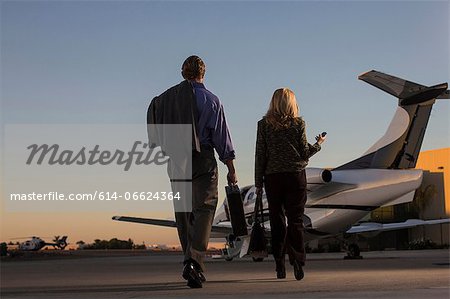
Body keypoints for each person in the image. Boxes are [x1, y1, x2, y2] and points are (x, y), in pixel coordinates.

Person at [147, 55, 237, 288]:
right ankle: (194, 261)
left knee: (183, 212)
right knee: (205, 208)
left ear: (182, 73)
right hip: (202, 159)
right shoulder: (212, 100)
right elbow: (222, 137)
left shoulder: (164, 99)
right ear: (203, 73)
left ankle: (190, 260)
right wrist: (231, 168)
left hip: (176, 158)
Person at [254, 88, 326, 280]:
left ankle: (280, 265)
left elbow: (260, 155)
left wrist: (258, 181)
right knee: (295, 220)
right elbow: (303, 153)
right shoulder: (298, 124)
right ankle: (298, 262)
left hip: (273, 178)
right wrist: (318, 144)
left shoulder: (263, 125)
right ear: (292, 103)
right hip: (295, 176)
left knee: (277, 221)